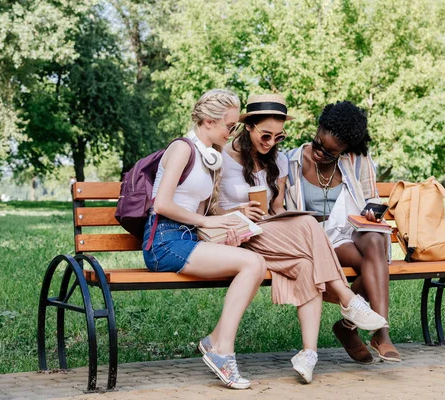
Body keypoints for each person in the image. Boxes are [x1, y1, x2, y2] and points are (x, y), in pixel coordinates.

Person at [216, 94, 388, 384]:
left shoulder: (279, 161)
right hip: (234, 232)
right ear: (249, 127)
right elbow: (209, 208)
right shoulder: (220, 156)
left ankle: (308, 353)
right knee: (309, 225)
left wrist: (287, 220)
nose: (271, 143)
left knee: (309, 258)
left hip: (267, 232)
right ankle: (348, 300)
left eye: (278, 137)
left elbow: (279, 209)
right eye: (265, 135)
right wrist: (239, 211)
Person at [142, 89, 267, 390]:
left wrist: (234, 218)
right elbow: (161, 204)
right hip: (163, 242)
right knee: (252, 264)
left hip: (187, 237)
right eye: (230, 126)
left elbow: (205, 212)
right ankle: (222, 351)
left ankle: (215, 340)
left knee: (257, 264)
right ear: (209, 122)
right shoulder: (182, 149)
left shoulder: (212, 157)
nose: (233, 132)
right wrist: (206, 221)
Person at [285, 101, 401, 364]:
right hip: (316, 239)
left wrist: (372, 213)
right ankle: (351, 329)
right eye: (318, 144)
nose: (320, 153)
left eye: (330, 152)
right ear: (317, 130)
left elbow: (371, 196)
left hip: (351, 230)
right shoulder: (291, 162)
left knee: (373, 239)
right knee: (375, 264)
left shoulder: (356, 160)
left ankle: (380, 334)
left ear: (345, 149)